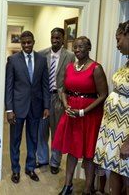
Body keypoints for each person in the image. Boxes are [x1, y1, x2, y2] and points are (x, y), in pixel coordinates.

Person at [52, 36, 108, 195]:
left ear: (89, 48)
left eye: (81, 47)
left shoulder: (96, 68)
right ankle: (67, 185)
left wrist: (83, 111)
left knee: (88, 153)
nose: (77, 50)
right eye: (75, 47)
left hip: (89, 115)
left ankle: (87, 189)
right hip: (71, 114)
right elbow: (63, 89)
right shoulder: (70, 67)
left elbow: (103, 95)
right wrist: (65, 104)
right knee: (72, 150)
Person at [5, 30, 50, 183]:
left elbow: (45, 85)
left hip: (36, 106)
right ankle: (15, 170)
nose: (26, 45)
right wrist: (9, 109)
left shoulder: (42, 60)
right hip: (17, 108)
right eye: (23, 43)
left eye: (29, 42)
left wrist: (47, 106)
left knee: (33, 139)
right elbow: (9, 86)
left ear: (33, 41)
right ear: (21, 43)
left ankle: (30, 168)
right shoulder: (12, 60)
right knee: (15, 140)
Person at [94, 20, 129, 195]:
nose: (117, 45)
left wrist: (128, 142)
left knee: (126, 177)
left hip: (125, 134)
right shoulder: (127, 63)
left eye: (118, 39)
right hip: (114, 130)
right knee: (115, 170)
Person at [37, 27, 75, 174]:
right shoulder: (41, 54)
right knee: (42, 130)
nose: (54, 40)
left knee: (57, 131)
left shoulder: (70, 56)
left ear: (63, 39)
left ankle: (55, 162)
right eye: (52, 37)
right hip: (43, 98)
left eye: (58, 38)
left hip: (59, 98)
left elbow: (70, 78)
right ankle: (42, 159)